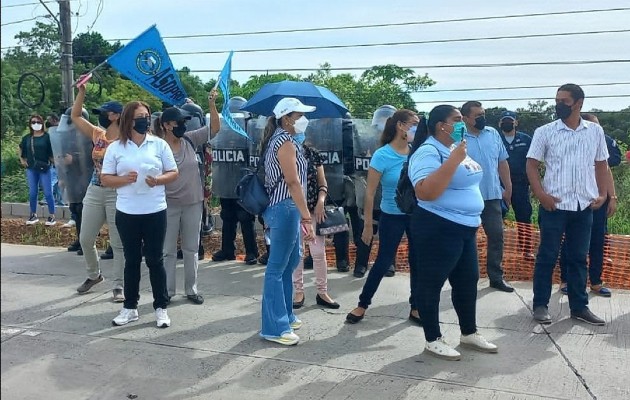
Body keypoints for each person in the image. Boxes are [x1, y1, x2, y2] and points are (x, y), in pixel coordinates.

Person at [408, 105, 498, 361]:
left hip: (465, 227)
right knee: (432, 283)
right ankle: (432, 338)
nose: (462, 124)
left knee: (467, 281)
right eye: (456, 120)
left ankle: (469, 333)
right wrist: (454, 160)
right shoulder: (428, 151)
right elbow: (425, 191)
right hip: (438, 226)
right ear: (440, 125)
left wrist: (457, 157)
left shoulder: (456, 148)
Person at [527, 84, 609, 326]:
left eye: (564, 100)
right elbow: (531, 164)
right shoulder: (545, 131)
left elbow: (601, 164)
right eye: (557, 100)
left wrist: (603, 193)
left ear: (579, 103)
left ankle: (579, 307)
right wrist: (541, 194)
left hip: (584, 206)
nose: (559, 104)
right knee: (547, 256)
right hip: (554, 206)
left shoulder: (594, 131)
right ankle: (540, 305)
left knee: (577, 257)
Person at [101, 101, 178, 328]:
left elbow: (173, 172)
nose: (144, 120)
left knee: (155, 259)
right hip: (127, 212)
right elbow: (105, 178)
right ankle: (130, 307)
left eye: (147, 116)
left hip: (155, 211)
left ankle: (161, 307)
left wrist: (159, 181)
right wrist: (124, 180)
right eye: (139, 117)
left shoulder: (159, 144)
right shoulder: (116, 147)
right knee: (131, 260)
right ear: (128, 120)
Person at [345, 109, 420, 325]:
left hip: (415, 216)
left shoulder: (416, 153)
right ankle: (362, 304)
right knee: (383, 261)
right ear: (400, 126)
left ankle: (416, 307)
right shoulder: (382, 155)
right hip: (392, 215)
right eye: (413, 124)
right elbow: (370, 192)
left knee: (418, 262)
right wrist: (367, 224)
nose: (416, 128)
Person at [153, 90, 220, 306]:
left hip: (193, 203)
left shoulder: (190, 140)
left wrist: (211, 105)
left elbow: (214, 129)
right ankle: (168, 291)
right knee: (168, 250)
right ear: (166, 124)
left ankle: (191, 289)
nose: (183, 125)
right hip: (167, 205)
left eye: (184, 121)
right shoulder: (156, 146)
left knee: (191, 248)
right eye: (179, 121)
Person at [259, 97, 316, 346]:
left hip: (287, 208)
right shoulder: (284, 142)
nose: (303, 119)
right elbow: (292, 182)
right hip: (285, 208)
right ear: (286, 119)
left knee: (290, 261)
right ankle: (274, 327)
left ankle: (286, 315)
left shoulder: (286, 141)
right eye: (299, 115)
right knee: (277, 267)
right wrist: (306, 216)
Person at [71, 82, 126, 301]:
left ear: (116, 116)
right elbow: (76, 116)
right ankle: (94, 275)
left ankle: (119, 285)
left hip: (118, 193)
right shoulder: (98, 134)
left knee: (118, 243)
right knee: (85, 238)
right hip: (95, 190)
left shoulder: (129, 139)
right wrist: (81, 92)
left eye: (104, 113)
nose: (101, 116)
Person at [559, 113, 621, 297]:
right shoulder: (573, 148)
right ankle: (566, 280)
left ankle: (595, 282)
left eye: (599, 128)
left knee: (597, 242)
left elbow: (607, 172)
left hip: (598, 202)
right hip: (576, 202)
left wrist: (612, 197)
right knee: (571, 243)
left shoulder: (601, 150)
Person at [461, 101, 514, 292]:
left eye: (483, 114)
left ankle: (496, 277)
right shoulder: (458, 138)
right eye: (477, 115)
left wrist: (508, 187)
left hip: (492, 196)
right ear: (466, 118)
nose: (482, 118)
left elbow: (502, 162)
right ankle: (467, 278)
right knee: (467, 239)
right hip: (467, 197)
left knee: (497, 236)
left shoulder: (492, 133)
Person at [292, 140, 340, 310]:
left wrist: (321, 201)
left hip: (314, 210)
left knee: (318, 252)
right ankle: (298, 291)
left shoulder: (313, 154)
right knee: (297, 253)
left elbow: (323, 183)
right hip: (293, 210)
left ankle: (322, 292)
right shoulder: (284, 151)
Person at [498, 111, 534, 260]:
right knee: (497, 217)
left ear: (516, 123)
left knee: (524, 217)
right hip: (499, 185)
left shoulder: (525, 139)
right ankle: (496, 251)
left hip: (521, 185)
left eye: (510, 121)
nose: (508, 123)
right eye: (505, 121)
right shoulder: (496, 139)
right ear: (500, 124)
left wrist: (533, 184)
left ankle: (526, 250)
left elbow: (532, 162)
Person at [19, 114, 56, 226]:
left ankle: (52, 216)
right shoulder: (27, 137)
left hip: (45, 167)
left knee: (48, 192)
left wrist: (57, 162)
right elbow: (20, 147)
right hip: (31, 168)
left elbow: (52, 151)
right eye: (33, 122)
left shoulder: (47, 137)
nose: (36, 124)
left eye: (38, 122)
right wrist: (22, 159)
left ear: (42, 123)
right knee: (32, 192)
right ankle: (33, 214)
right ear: (30, 124)